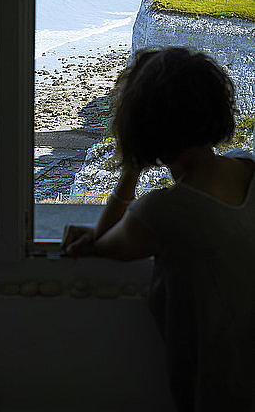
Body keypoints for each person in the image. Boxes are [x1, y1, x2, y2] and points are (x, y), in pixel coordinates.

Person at [61, 47, 255, 412]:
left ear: (146, 127)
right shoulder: (249, 167)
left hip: (221, 393)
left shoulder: (164, 212)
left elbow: (106, 243)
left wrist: (130, 169)